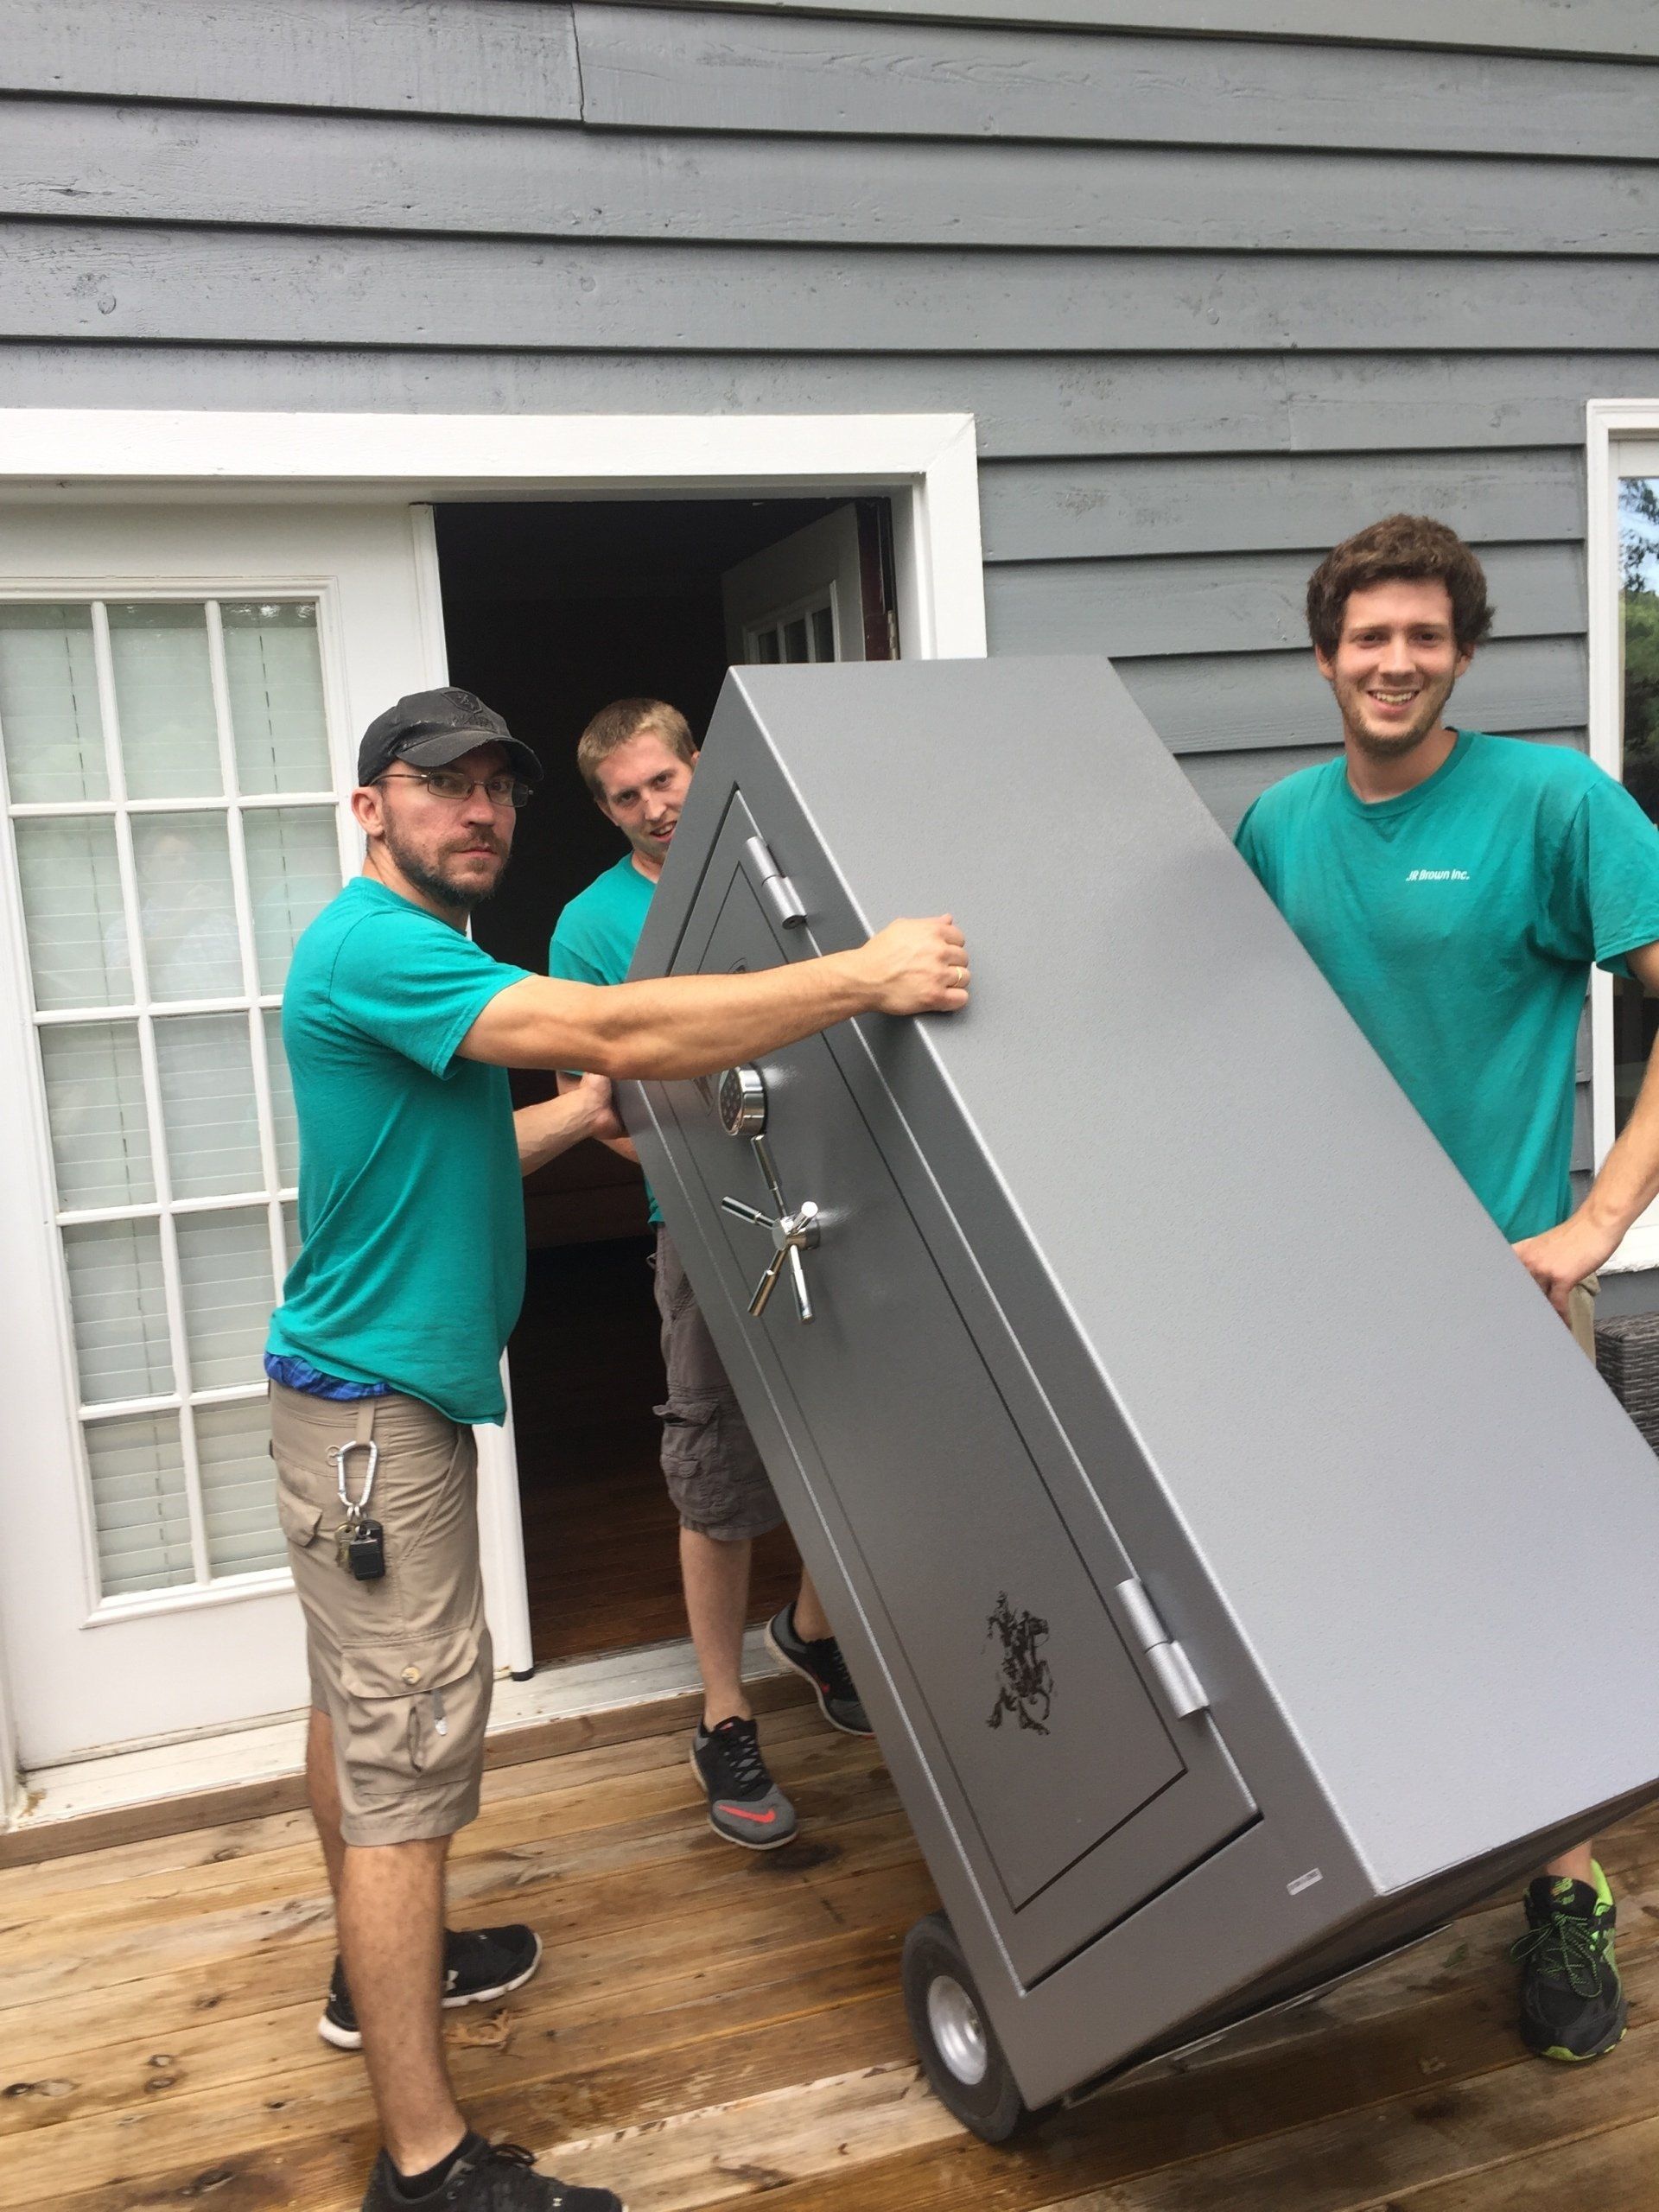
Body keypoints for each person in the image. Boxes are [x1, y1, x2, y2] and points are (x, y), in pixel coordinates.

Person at [265, 686, 969, 2212]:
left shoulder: (410, 956)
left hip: (358, 1410)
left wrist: (573, 1113)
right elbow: (613, 1021)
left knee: (357, 1713)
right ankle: (427, 2168)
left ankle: (379, 1975)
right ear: (371, 808)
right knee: (406, 1773)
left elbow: (468, 1139)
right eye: (441, 785)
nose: (479, 810)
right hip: (374, 1427)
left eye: (497, 786)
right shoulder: (378, 944)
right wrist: (864, 975)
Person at [1235, 515, 1659, 2067]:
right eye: (1370, 637)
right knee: (1348, 1594)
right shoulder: (1276, 823)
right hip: (1320, 1303)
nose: (1395, 661)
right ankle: (1386, 1859)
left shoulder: (1553, 803)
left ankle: (1567, 1892)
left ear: (1463, 652)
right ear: (1325, 657)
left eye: (1425, 636)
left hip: (1496, 1299)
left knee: (1525, 1606)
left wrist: (1600, 1220)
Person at [549, 700, 868, 1852]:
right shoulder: (590, 925)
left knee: (857, 1431)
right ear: (605, 811)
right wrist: (703, 1175)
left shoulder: (774, 870)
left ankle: (815, 1633)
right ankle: (725, 1714)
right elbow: (599, 1110)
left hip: (839, 1195)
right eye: (625, 797)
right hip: (702, 1223)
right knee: (715, 1462)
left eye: (664, 780)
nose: (653, 808)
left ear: (699, 763)